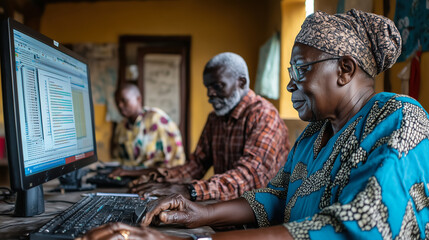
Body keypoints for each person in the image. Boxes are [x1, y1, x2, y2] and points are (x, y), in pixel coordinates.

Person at [81, 9, 429, 240]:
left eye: (301, 69)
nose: (291, 85)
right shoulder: (313, 134)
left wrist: (198, 237)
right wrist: (198, 213)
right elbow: (274, 197)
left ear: (345, 69)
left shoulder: (398, 118)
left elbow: (353, 226)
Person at [120, 52, 291, 202]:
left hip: (261, 217)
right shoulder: (215, 119)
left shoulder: (264, 115)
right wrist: (155, 179)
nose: (210, 93)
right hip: (226, 208)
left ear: (241, 82)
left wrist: (190, 190)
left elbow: (250, 177)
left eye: (218, 85)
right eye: (208, 87)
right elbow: (196, 165)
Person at [111, 83, 186, 171]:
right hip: (128, 177)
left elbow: (175, 162)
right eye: (117, 102)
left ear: (138, 99)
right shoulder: (121, 126)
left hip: (158, 179)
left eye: (124, 100)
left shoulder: (158, 119)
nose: (120, 105)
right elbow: (118, 158)